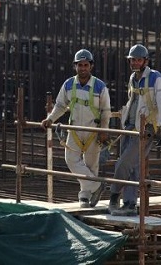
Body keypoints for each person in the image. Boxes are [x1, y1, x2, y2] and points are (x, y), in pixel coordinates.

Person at [107, 44, 161, 216]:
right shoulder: (132, 78)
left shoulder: (155, 78)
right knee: (133, 168)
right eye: (133, 60)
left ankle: (114, 195)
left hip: (145, 129)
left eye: (138, 60)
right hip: (129, 127)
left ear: (145, 61)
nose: (135, 63)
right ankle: (130, 204)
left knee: (123, 163)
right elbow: (133, 101)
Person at [41, 49, 111, 208]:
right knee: (71, 160)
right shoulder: (68, 84)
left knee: (91, 165)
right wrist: (50, 119)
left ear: (91, 66)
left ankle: (85, 196)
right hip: (75, 130)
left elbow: (106, 111)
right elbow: (60, 105)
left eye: (86, 65)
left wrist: (104, 130)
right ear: (75, 66)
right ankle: (96, 186)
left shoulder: (100, 86)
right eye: (80, 65)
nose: (83, 68)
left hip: (94, 130)